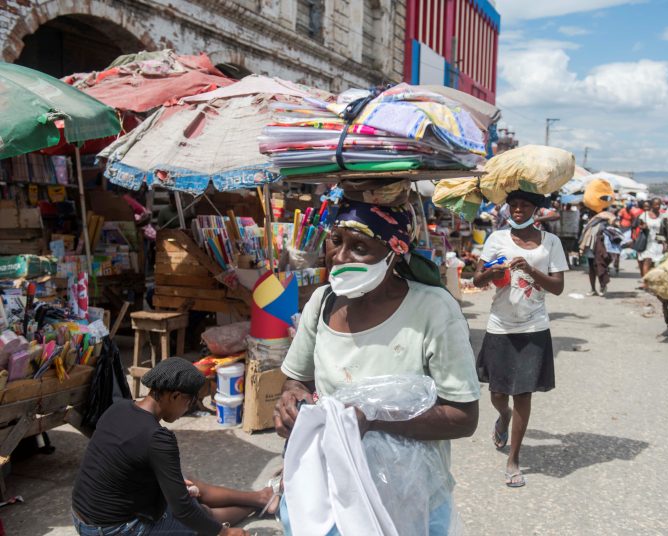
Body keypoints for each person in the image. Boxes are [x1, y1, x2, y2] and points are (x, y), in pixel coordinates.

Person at [274, 199, 480, 532]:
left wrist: (373, 418)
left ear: (393, 251)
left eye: (359, 247)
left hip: (408, 500)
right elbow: (296, 380)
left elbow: (463, 417)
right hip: (329, 492)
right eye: (336, 241)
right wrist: (291, 401)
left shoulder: (433, 310)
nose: (340, 257)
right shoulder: (321, 302)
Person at [72, 358, 279, 536]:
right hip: (114, 530)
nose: (187, 408)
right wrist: (225, 533)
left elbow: (119, 462)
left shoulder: (118, 408)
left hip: (81, 516)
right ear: (175, 396)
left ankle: (261, 498)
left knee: (189, 486)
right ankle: (258, 503)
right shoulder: (158, 439)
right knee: (202, 514)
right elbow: (184, 511)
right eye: (190, 401)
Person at [473, 190, 567, 488]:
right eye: (513, 205)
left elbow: (557, 287)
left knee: (523, 392)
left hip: (534, 326)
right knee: (499, 393)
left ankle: (513, 459)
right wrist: (492, 272)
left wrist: (530, 269)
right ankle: (503, 417)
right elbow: (476, 279)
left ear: (536, 209)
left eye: (524, 205)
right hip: (500, 324)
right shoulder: (495, 239)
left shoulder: (550, 242)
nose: (517, 210)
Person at [579, 209, 617, 296]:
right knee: (592, 268)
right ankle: (593, 289)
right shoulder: (590, 223)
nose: (592, 215)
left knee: (600, 266)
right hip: (590, 247)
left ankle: (602, 286)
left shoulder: (606, 221)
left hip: (602, 248)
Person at [636, 198, 665, 284]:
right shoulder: (644, 215)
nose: (658, 206)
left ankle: (654, 282)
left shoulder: (662, 216)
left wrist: (664, 243)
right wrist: (643, 227)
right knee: (647, 261)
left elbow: (663, 231)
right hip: (647, 241)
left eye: (659, 204)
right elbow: (639, 225)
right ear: (652, 205)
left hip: (658, 242)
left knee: (656, 263)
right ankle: (645, 283)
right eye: (656, 204)